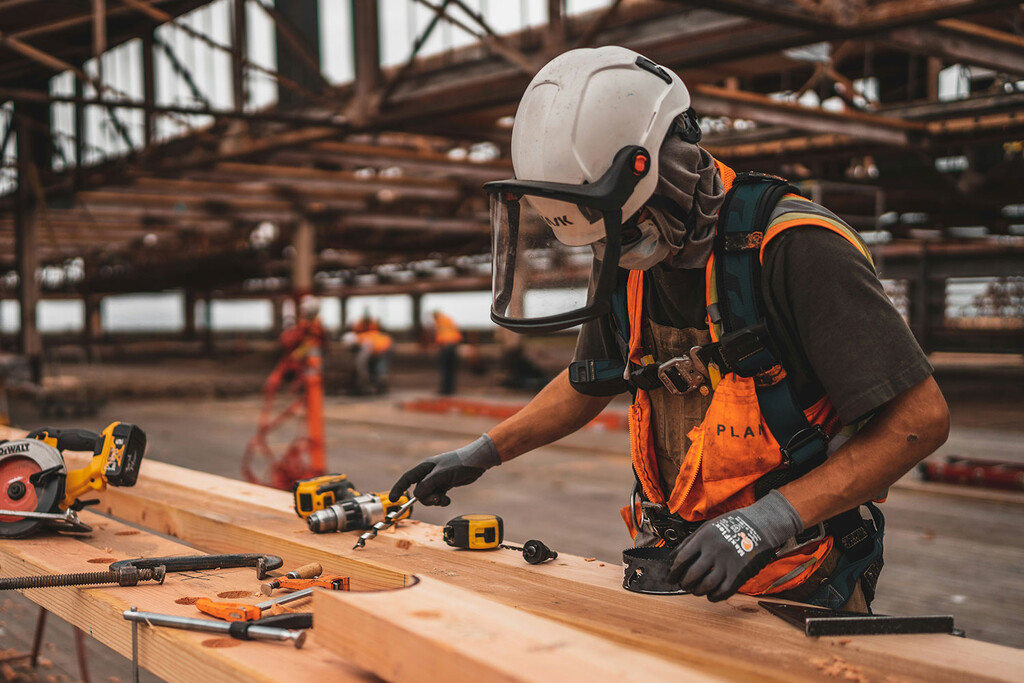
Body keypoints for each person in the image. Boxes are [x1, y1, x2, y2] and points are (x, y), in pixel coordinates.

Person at [390, 46, 949, 611]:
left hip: (797, 576)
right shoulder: (623, 256)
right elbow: (591, 381)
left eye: (626, 229)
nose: (616, 249)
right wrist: (482, 452)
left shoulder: (795, 247)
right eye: (605, 237)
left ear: (666, 168)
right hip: (671, 566)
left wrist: (768, 521)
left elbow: (919, 421)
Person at [432, 310, 463, 395]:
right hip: (454, 344)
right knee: (451, 368)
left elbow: (440, 334)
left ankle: (445, 390)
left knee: (445, 368)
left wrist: (437, 346)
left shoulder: (439, 322)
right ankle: (450, 389)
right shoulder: (448, 319)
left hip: (446, 346)